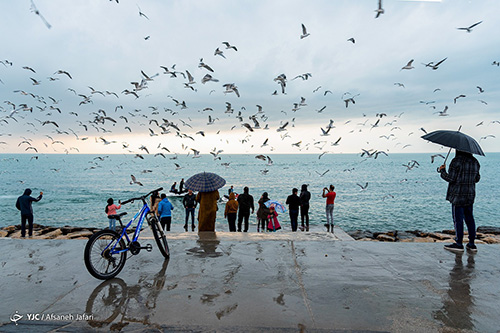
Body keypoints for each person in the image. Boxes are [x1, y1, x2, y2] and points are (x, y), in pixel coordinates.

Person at [439, 150, 480, 253]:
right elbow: (477, 178)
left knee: (458, 220)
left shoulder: (456, 161)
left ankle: (459, 243)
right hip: (470, 195)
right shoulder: (475, 162)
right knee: (470, 219)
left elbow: (451, 178)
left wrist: (442, 171)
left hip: (458, 195)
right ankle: (472, 244)